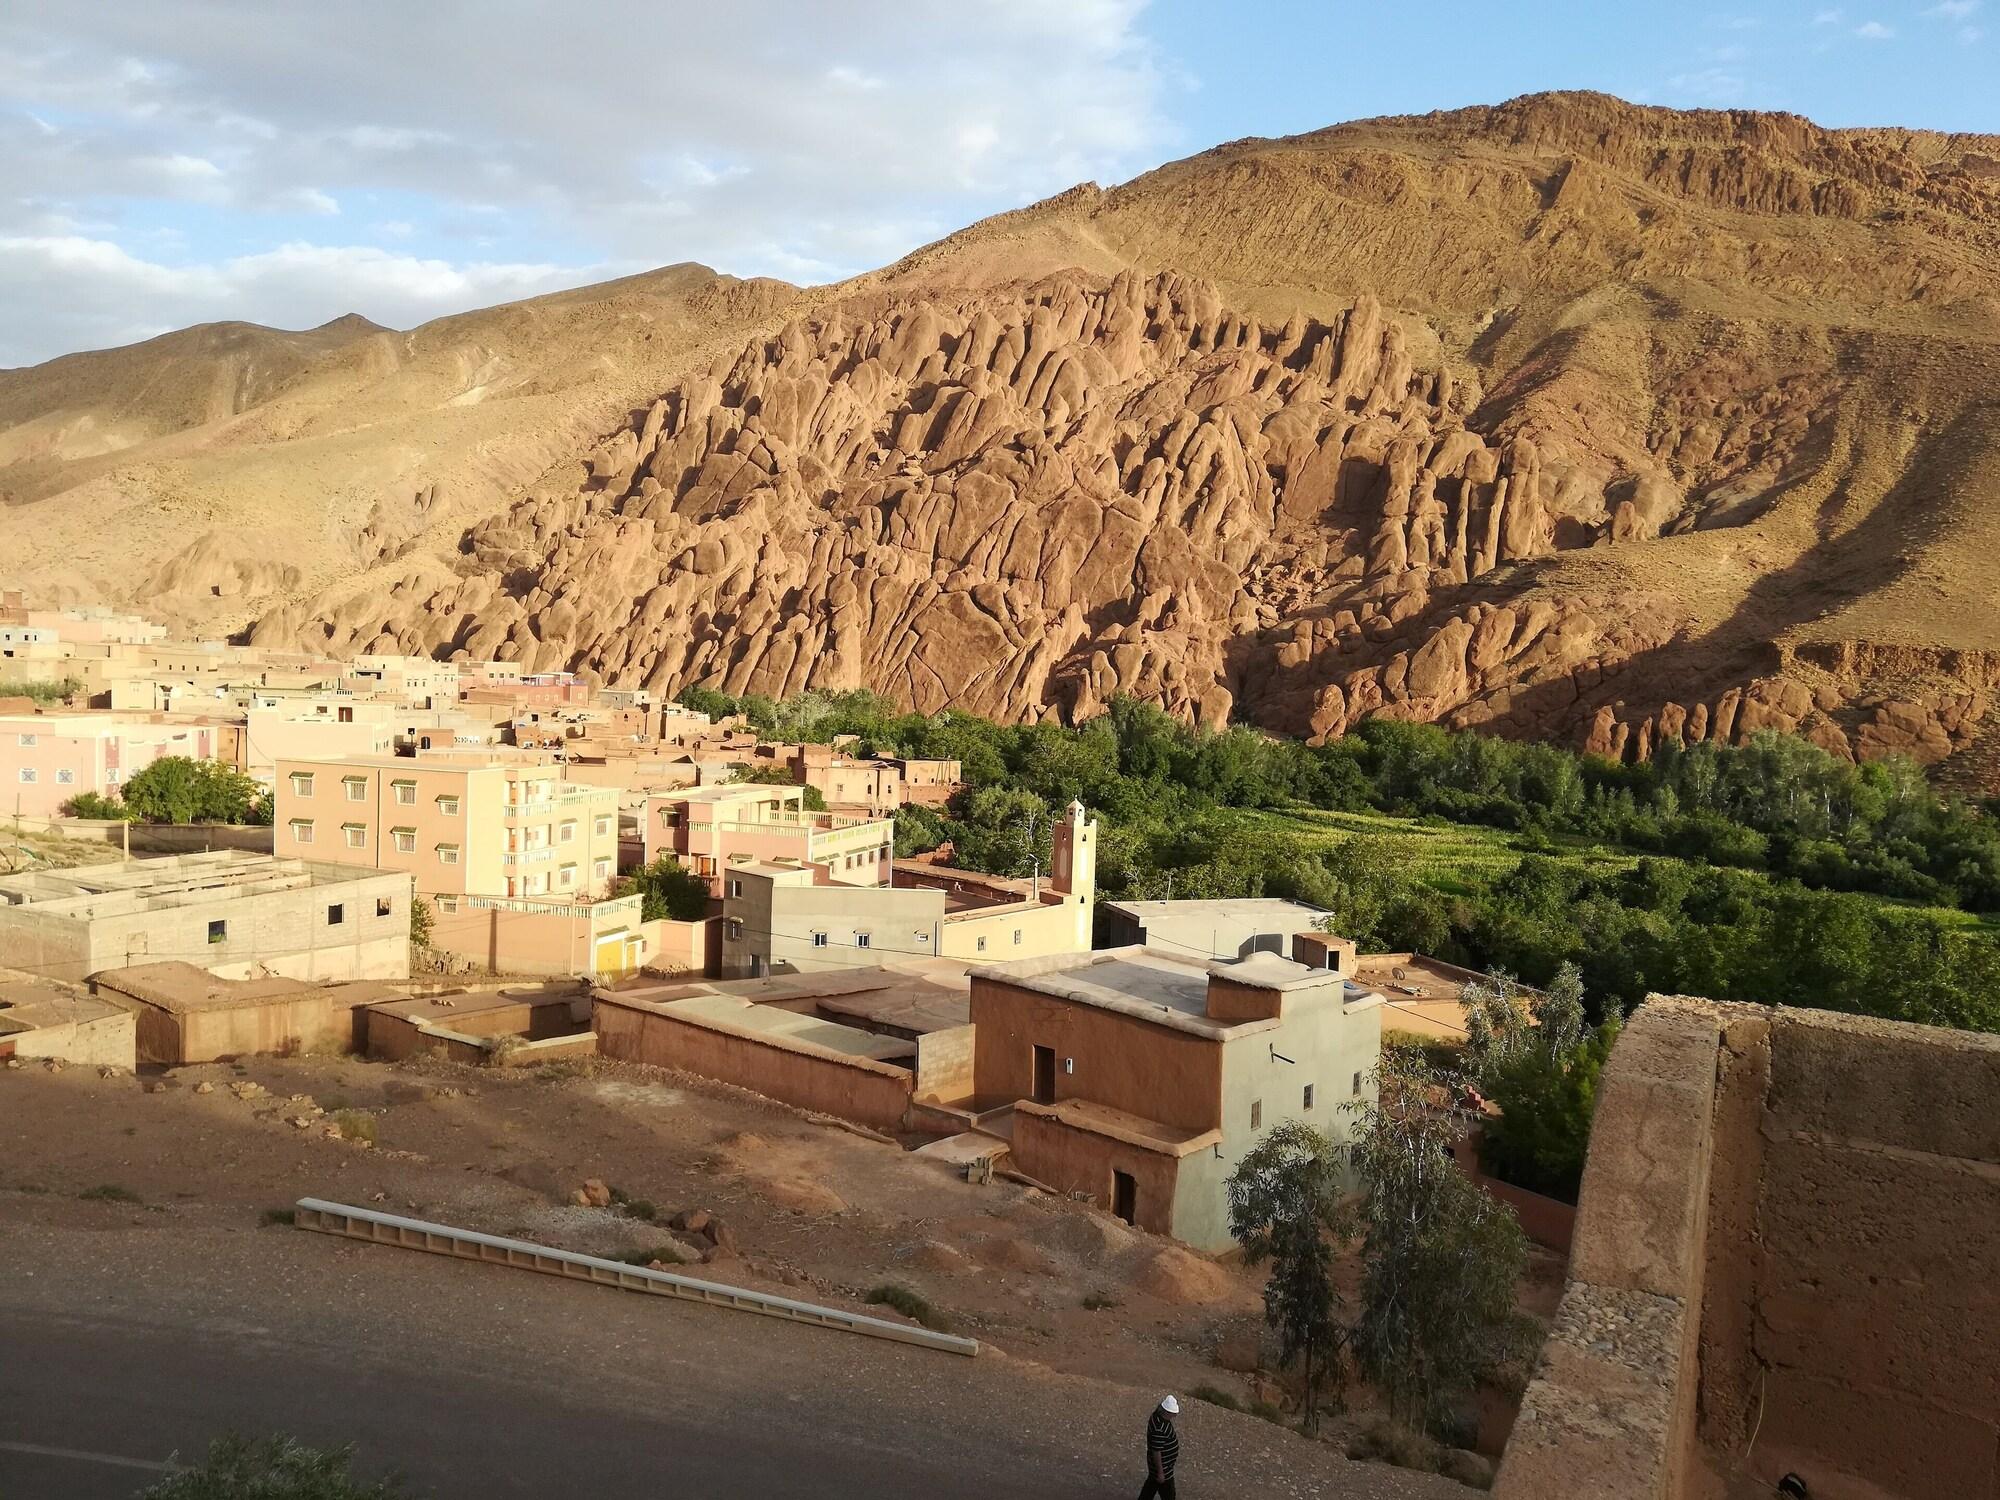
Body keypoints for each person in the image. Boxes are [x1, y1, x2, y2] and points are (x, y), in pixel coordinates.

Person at [1137, 1394, 1180, 1499]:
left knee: (1151, 1487)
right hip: (1163, 1468)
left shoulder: (1156, 1416)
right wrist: (1161, 1472)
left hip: (1160, 1466)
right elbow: (1157, 1451)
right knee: (1168, 1494)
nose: (1174, 1416)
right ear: (1167, 1412)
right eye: (1173, 1413)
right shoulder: (1159, 1428)